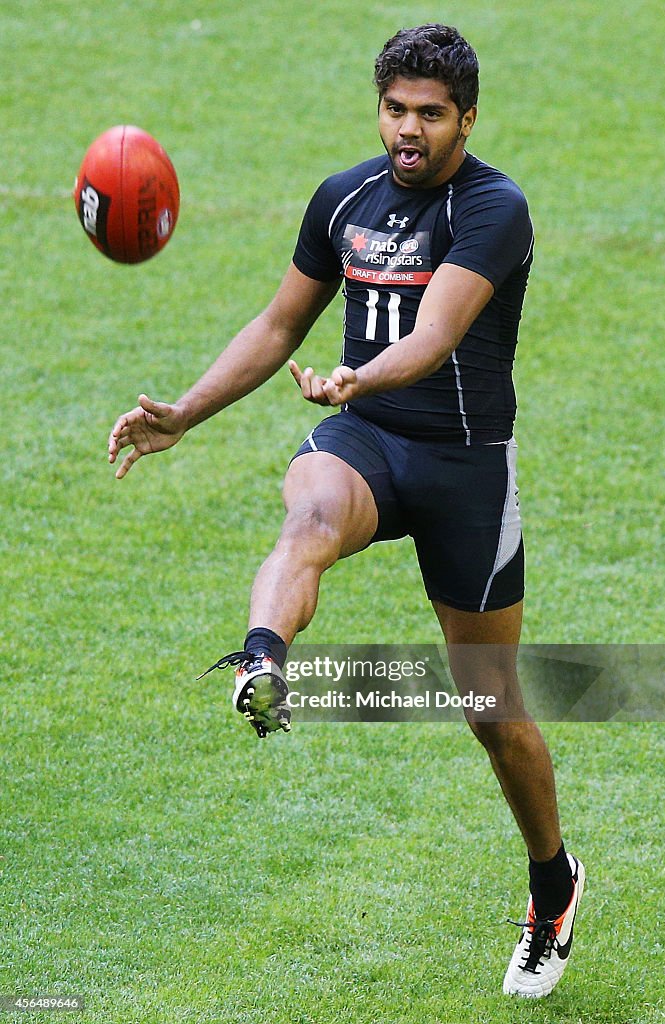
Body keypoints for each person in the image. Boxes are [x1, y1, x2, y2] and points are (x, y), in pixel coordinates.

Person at [108, 24, 584, 999]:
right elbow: (282, 321)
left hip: (462, 467)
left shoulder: (492, 207)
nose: (407, 130)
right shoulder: (346, 198)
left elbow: (438, 331)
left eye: (429, 114)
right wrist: (185, 414)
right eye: (394, 109)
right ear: (378, 107)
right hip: (362, 441)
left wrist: (355, 376)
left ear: (465, 119)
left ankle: (550, 883)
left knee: (491, 712)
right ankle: (262, 662)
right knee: (307, 515)